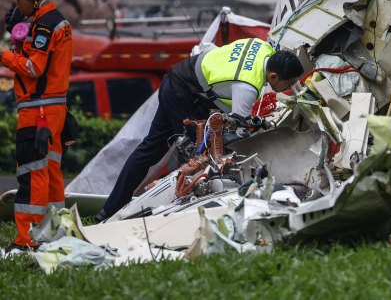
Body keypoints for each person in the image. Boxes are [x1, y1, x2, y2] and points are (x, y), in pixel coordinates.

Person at [95, 37, 304, 221]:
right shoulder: (246, 86)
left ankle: (108, 211)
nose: (289, 89)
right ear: (274, 76)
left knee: (151, 149)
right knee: (195, 161)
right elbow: (239, 134)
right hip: (184, 95)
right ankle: (171, 216)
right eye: (289, 83)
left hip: (177, 79)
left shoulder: (261, 46)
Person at [0, 0, 72, 257]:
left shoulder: (43, 25)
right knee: (51, 171)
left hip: (38, 110)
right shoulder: (54, 21)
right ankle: (53, 231)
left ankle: (26, 240)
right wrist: (19, 39)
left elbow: (33, 67)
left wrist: (4, 54)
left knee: (31, 173)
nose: (17, 6)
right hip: (54, 109)